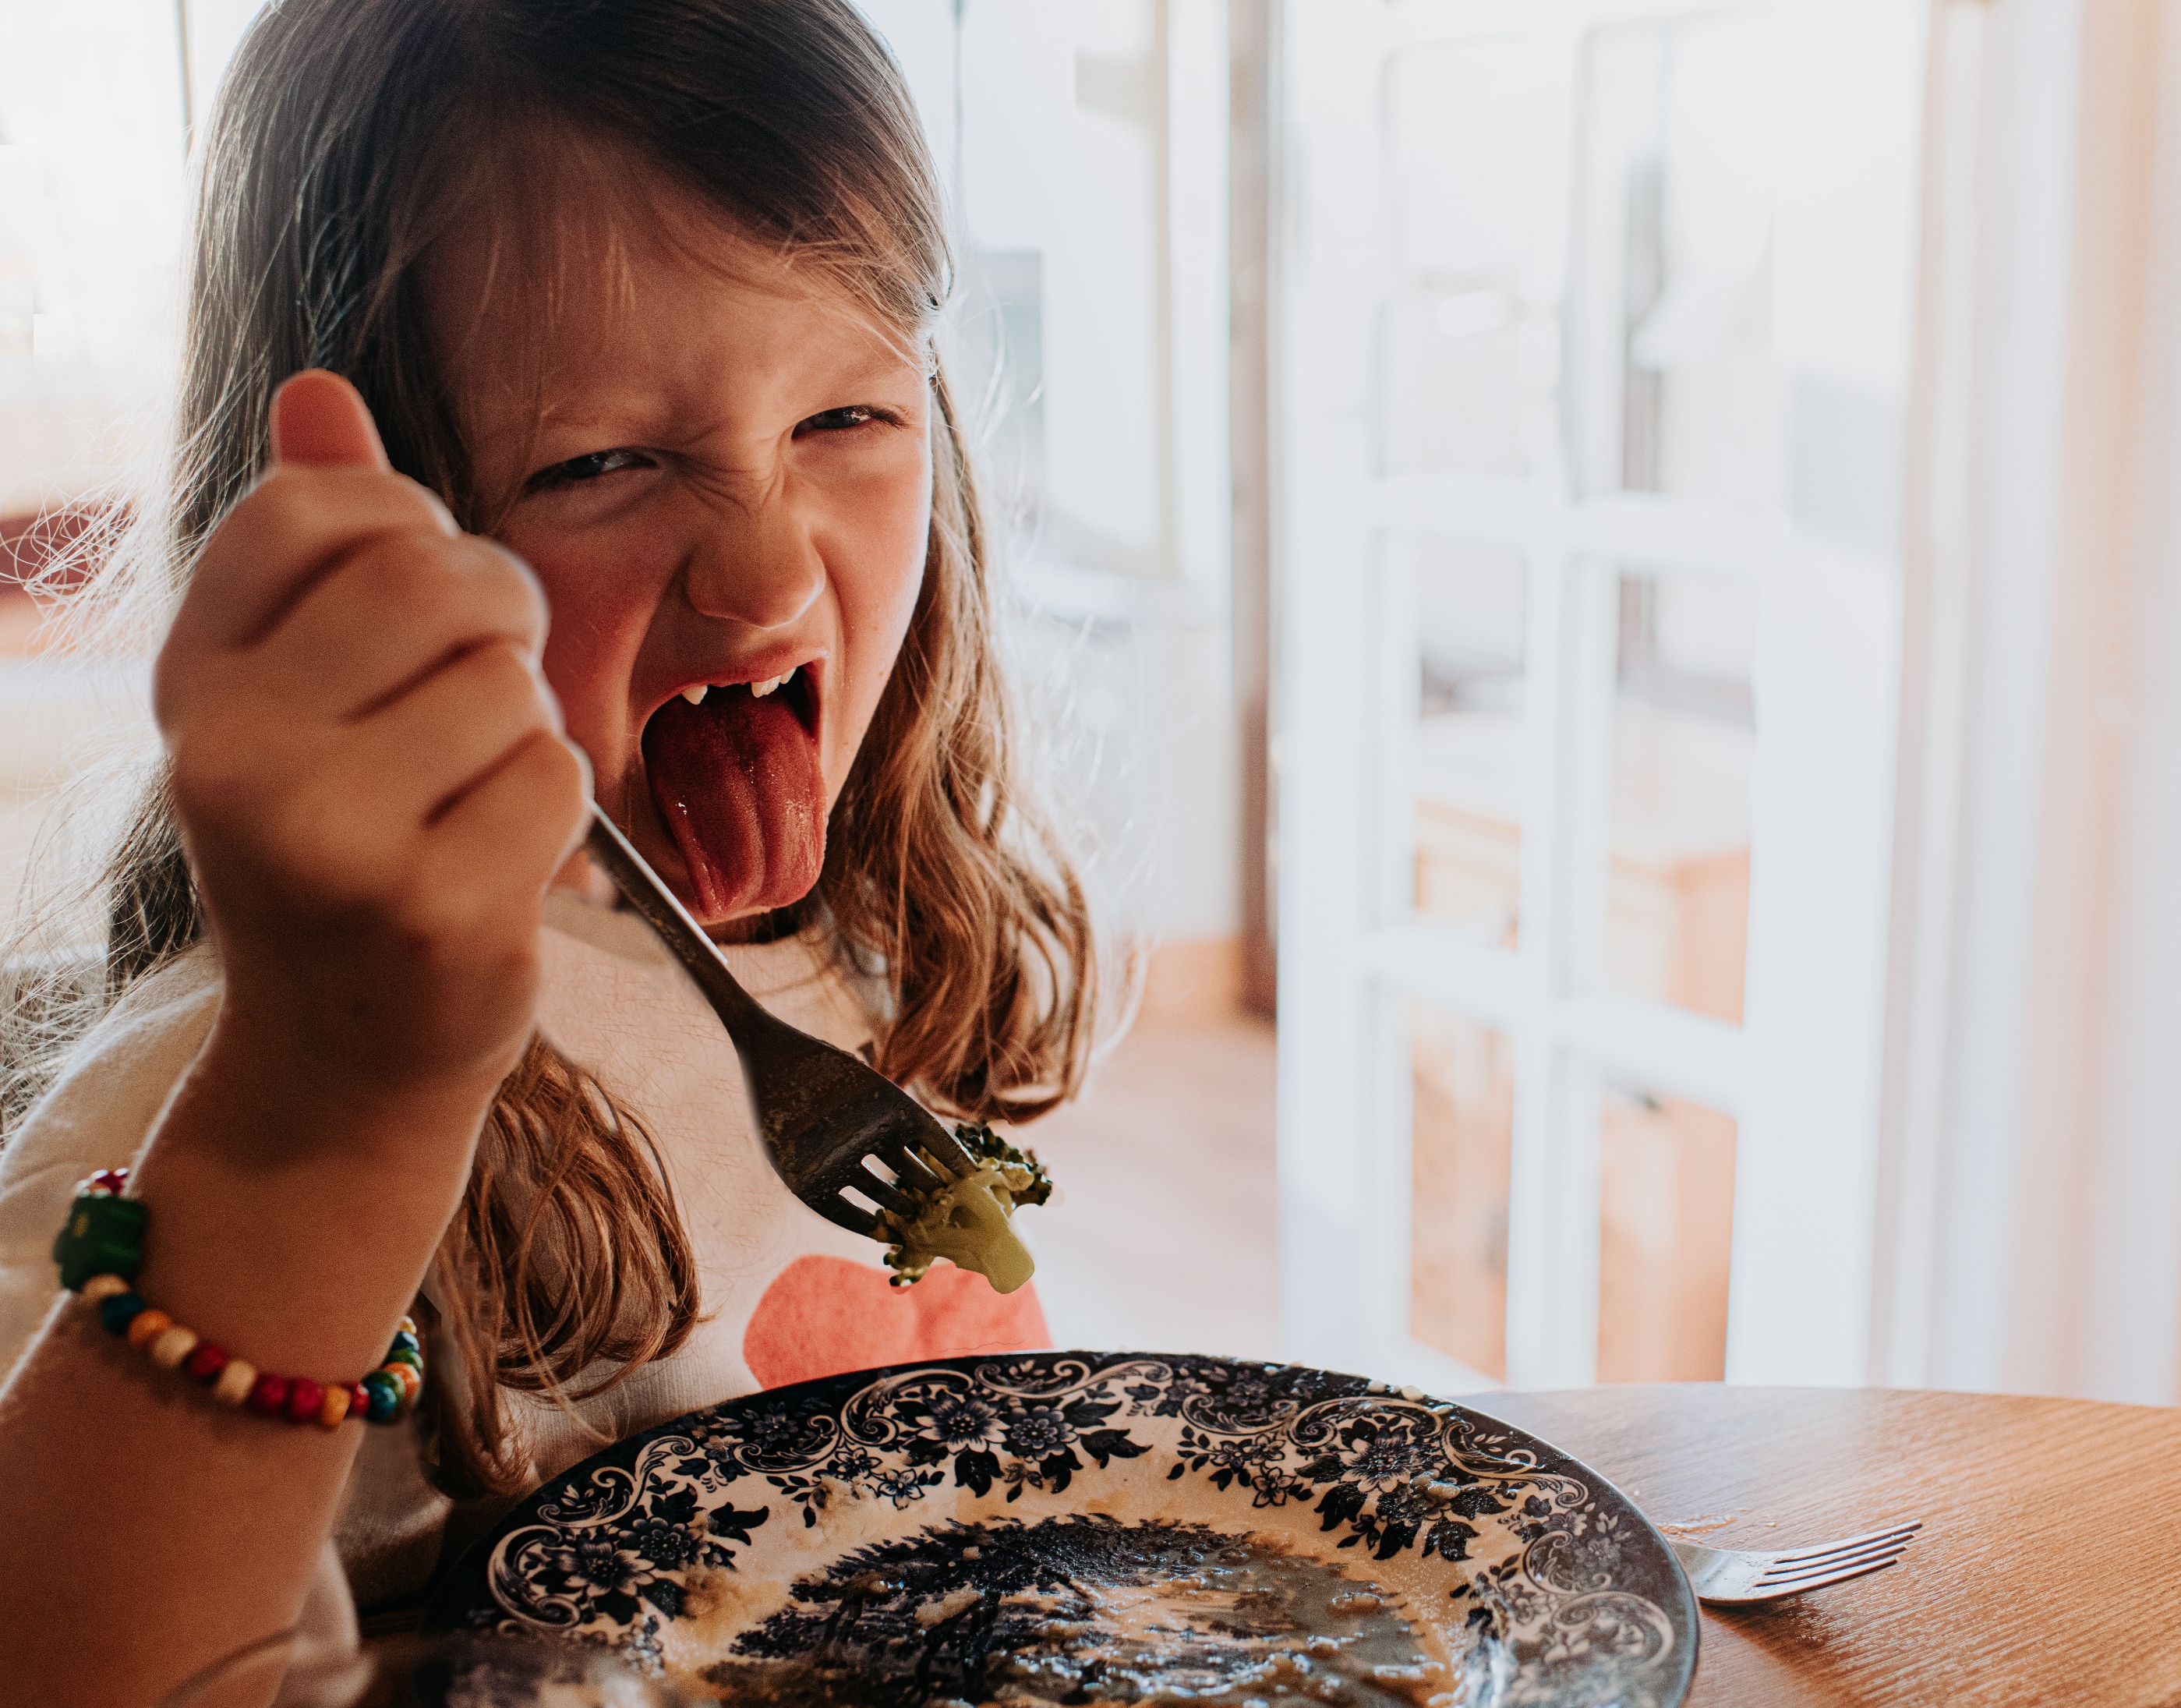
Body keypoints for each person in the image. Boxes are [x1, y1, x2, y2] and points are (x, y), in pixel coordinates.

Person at [0, 2, 1104, 1698]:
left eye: (847, 421)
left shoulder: (877, 943)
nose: (765, 577)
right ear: (377, 565)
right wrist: (321, 1116)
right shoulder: (217, 1104)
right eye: (599, 463)